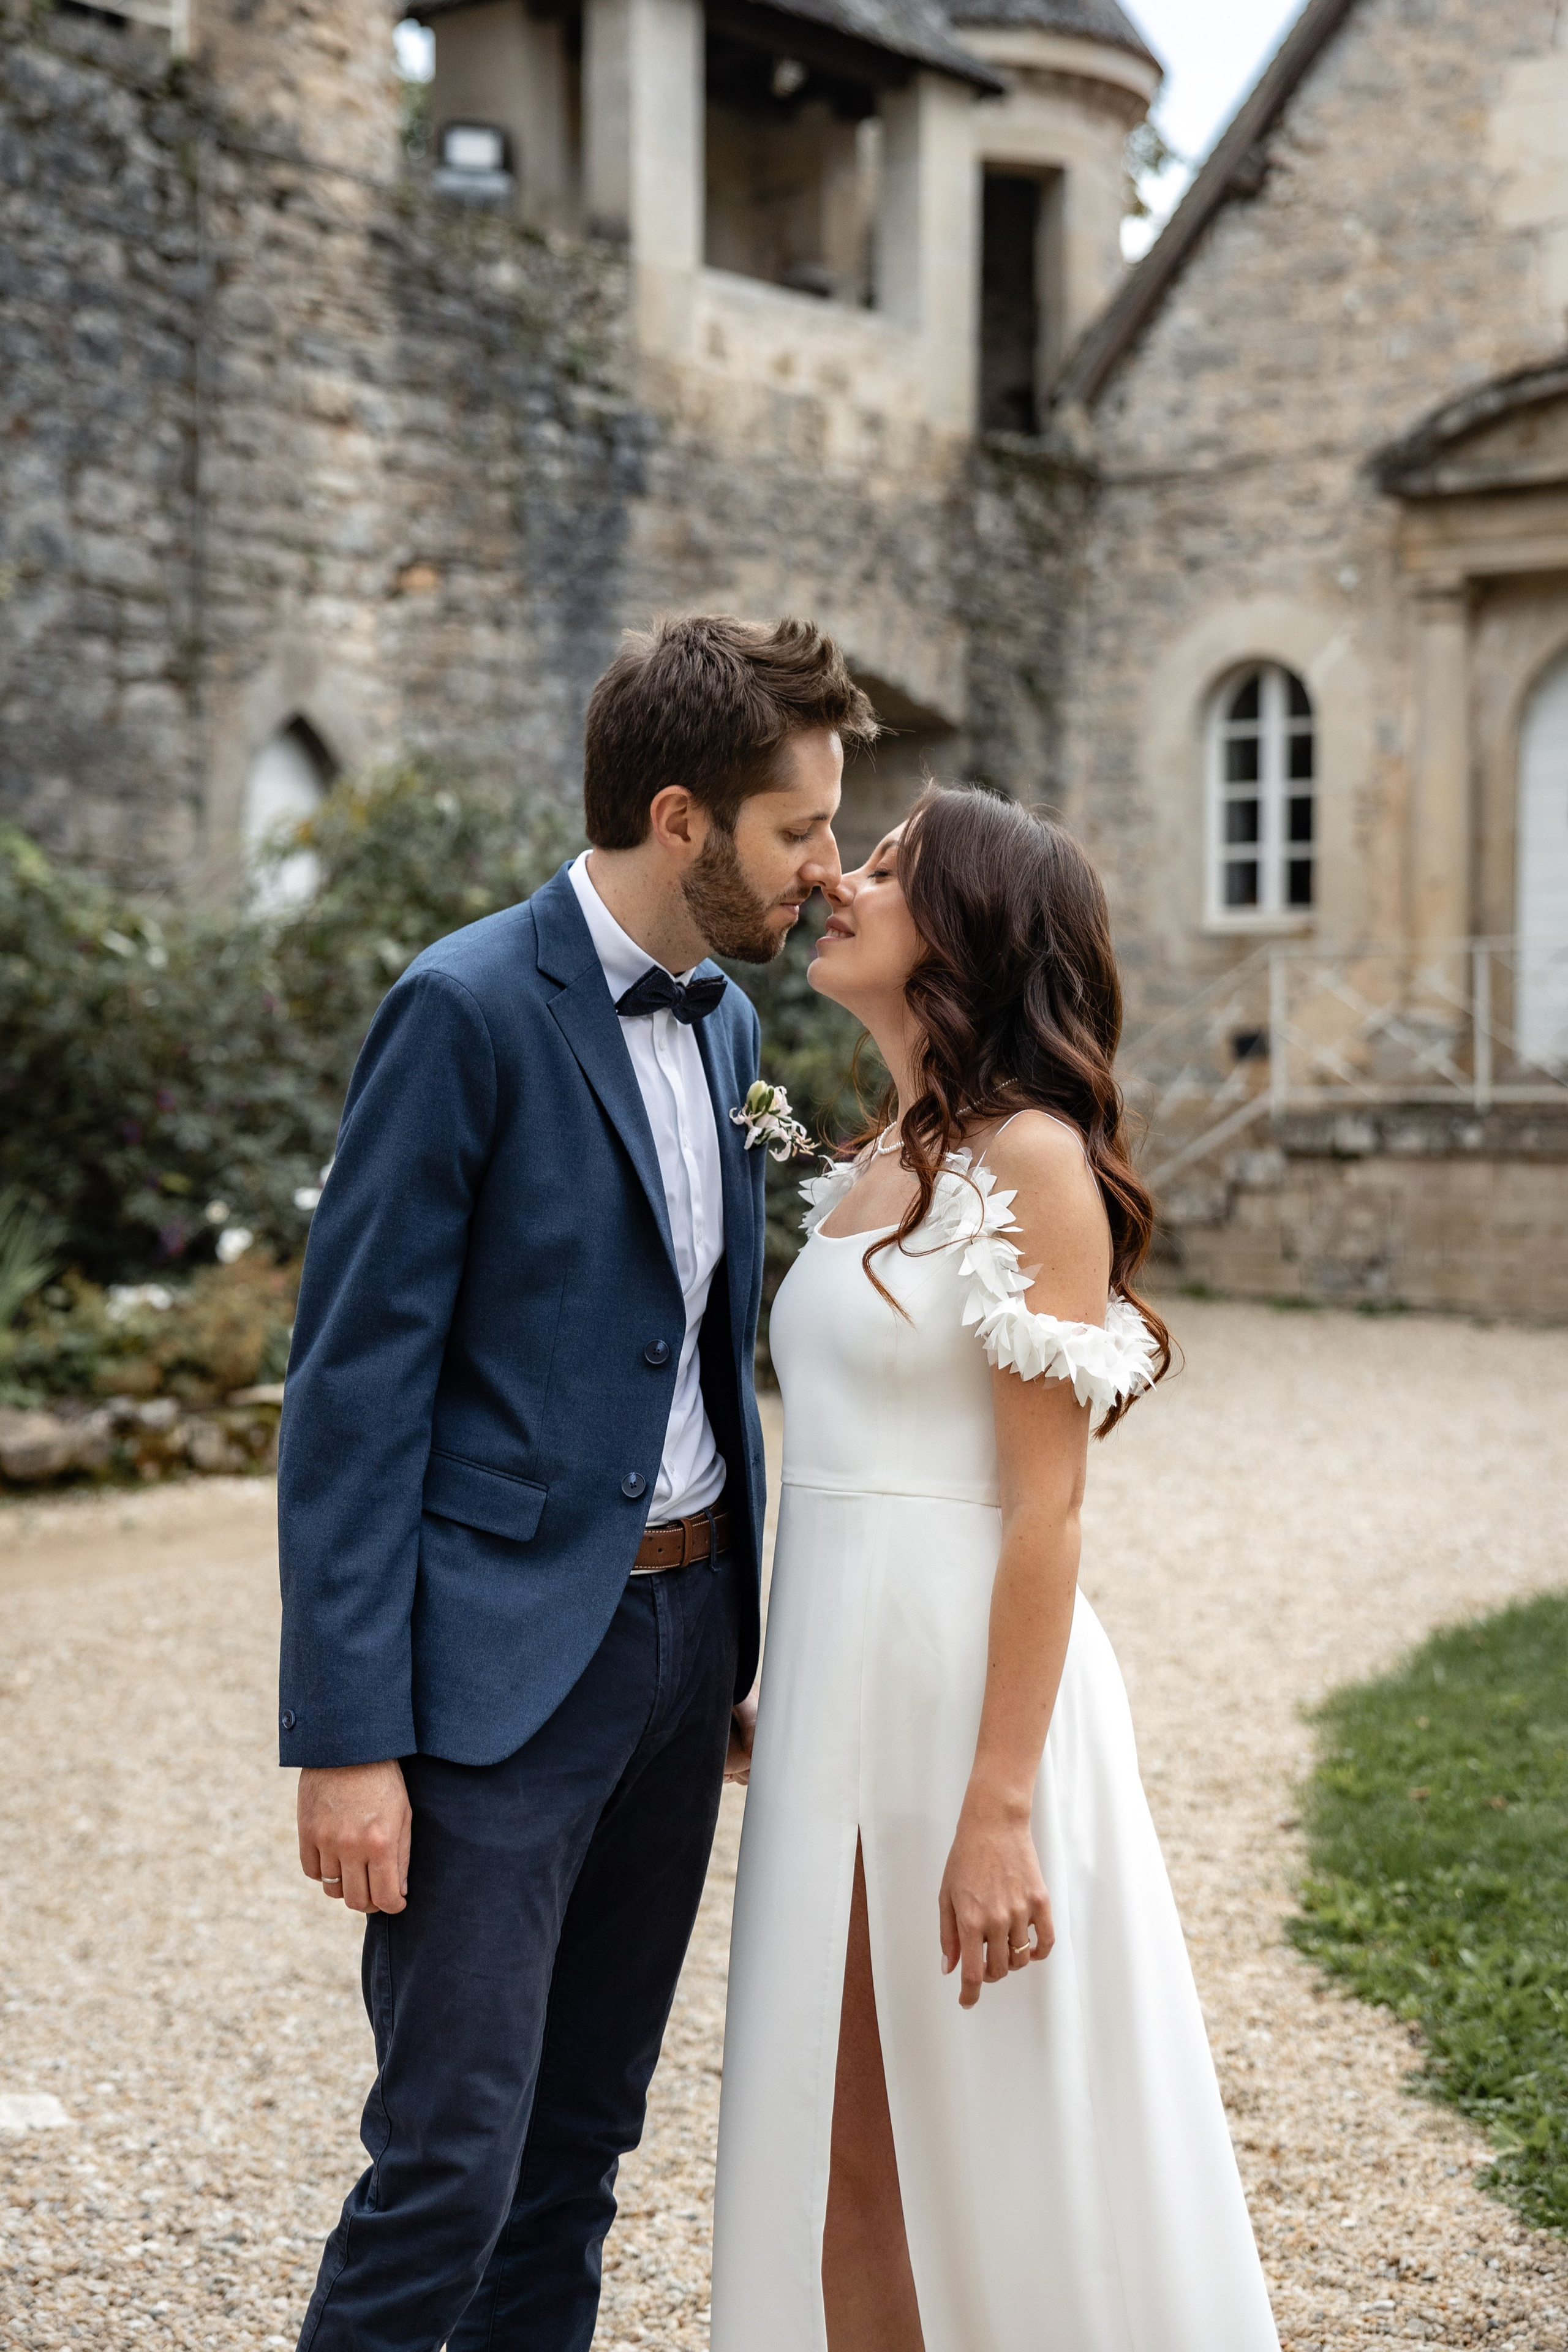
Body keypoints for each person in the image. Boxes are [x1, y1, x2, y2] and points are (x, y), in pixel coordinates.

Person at [276, 614, 875, 2352]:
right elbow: (351, 1399)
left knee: (580, 2156)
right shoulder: (461, 1008)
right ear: (682, 819)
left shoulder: (729, 1032)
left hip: (686, 1658)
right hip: (496, 1682)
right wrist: (346, 1737)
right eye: (799, 833)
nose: (827, 872)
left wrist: (738, 1627)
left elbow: (698, 1355)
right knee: (447, 2161)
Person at [711, 785, 1281, 2351]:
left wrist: (997, 1809)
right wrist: (772, 1676)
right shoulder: (879, 1153)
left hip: (971, 1720)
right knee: (840, 2147)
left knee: (997, 2139)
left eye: (886, 870)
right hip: (836, 1697)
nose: (839, 879)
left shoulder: (1028, 1160)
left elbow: (1045, 1512)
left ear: (963, 928)